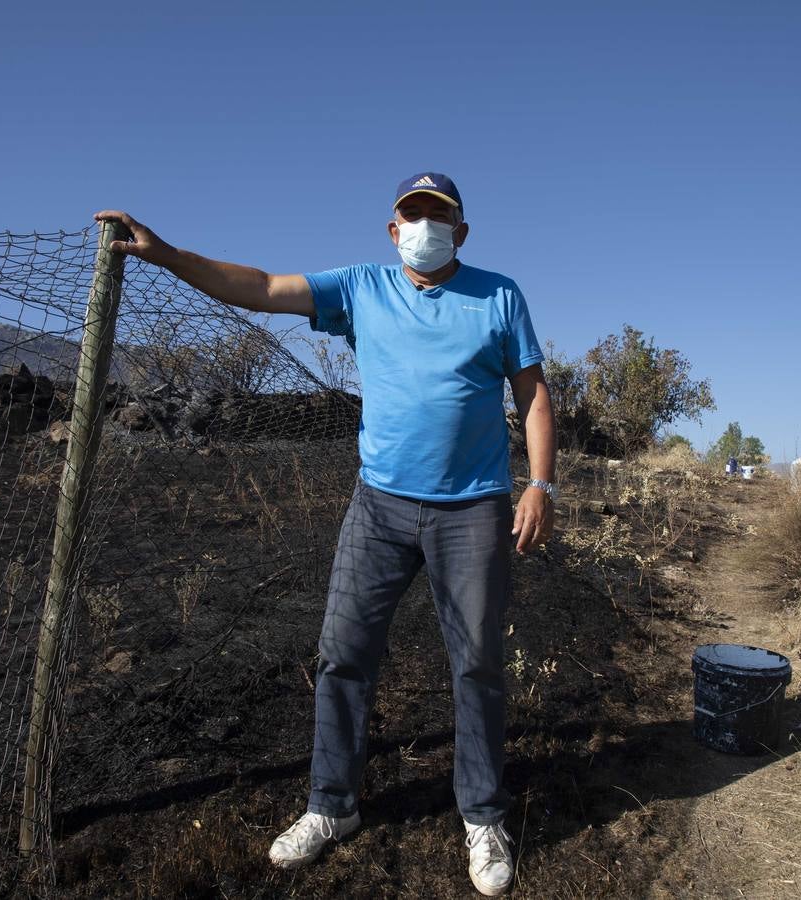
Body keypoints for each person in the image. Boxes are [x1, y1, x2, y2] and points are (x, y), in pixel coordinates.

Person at [94, 171, 555, 897]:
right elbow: (263, 288)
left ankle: (483, 816)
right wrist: (170, 254)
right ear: (392, 228)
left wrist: (540, 484)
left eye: (440, 216)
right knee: (342, 654)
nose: (425, 225)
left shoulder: (499, 295)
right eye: (413, 213)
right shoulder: (362, 288)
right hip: (379, 507)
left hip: (473, 511)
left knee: (477, 665)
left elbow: (531, 395)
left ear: (461, 233)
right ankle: (330, 807)